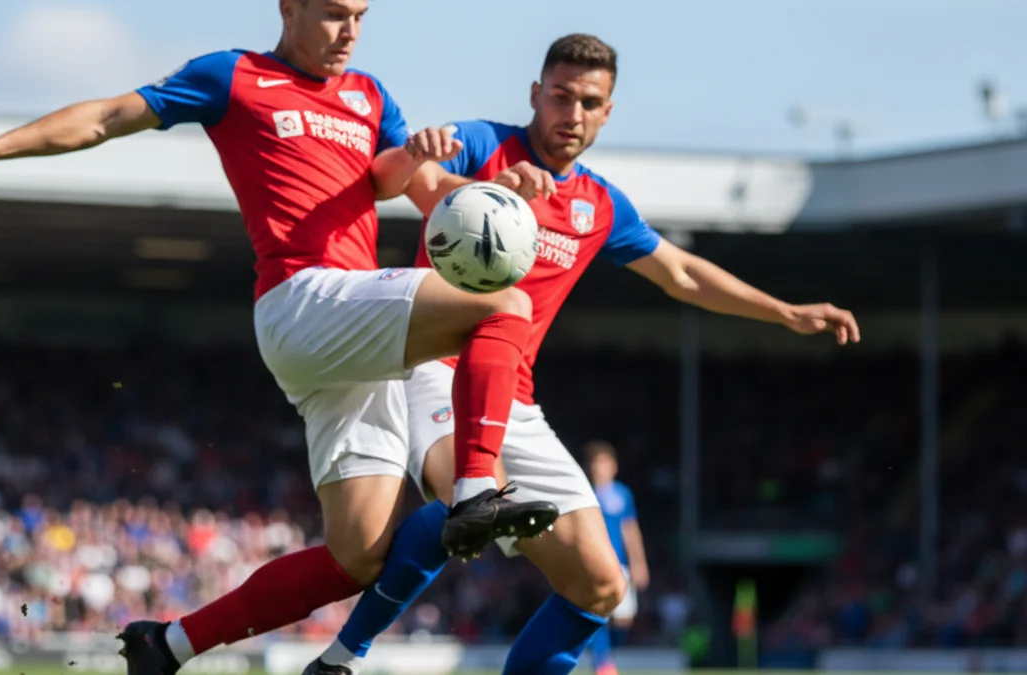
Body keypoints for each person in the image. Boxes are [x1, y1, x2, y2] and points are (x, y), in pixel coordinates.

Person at [0, 1, 561, 673]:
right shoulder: (234, 76)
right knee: (505, 303)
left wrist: (497, 190)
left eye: (361, 17)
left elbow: (420, 190)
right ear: (289, 7)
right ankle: (472, 491)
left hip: (350, 338)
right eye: (333, 14)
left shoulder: (370, 95)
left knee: (357, 557)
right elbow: (112, 115)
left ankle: (167, 644)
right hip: (305, 296)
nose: (349, 32)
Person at [302, 33, 860, 675]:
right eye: (560, 97)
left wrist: (785, 312)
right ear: (535, 95)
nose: (572, 114)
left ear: (607, 111)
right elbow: (407, 176)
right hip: (435, 370)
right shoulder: (485, 143)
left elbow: (681, 274)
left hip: (517, 399)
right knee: (472, 499)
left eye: (588, 102)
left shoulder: (600, 205)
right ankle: (342, 659)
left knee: (601, 584)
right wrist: (447, 167)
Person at [584, 441, 649, 675]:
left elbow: (630, 530)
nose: (599, 468)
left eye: (604, 462)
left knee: (623, 619)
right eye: (596, 463)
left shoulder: (622, 494)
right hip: (595, 562)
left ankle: (603, 657)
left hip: (620, 563)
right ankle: (602, 663)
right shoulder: (586, 493)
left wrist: (639, 562)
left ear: (614, 466)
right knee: (599, 612)